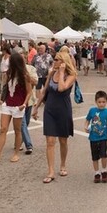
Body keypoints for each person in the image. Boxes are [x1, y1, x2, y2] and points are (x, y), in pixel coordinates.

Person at [32, 51, 77, 183]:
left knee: (63, 141)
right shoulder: (51, 73)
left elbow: (61, 88)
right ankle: (51, 171)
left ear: (63, 61)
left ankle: (63, 164)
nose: (54, 62)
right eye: (54, 60)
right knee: (50, 142)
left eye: (57, 60)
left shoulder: (71, 75)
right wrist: (36, 107)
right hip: (50, 110)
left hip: (63, 110)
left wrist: (62, 72)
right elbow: (44, 90)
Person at [0, 52, 32, 163]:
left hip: (18, 105)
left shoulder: (24, 76)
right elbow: (6, 87)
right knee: (3, 129)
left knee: (17, 131)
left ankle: (16, 153)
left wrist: (24, 104)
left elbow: (29, 92)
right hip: (8, 103)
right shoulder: (9, 73)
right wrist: (2, 97)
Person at [84, 90, 107, 183]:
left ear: (106, 101)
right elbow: (87, 120)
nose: (101, 104)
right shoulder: (92, 110)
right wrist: (85, 126)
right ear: (96, 102)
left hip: (103, 137)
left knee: (104, 155)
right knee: (94, 156)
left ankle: (104, 170)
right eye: (99, 102)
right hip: (93, 138)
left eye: (103, 102)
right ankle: (97, 172)